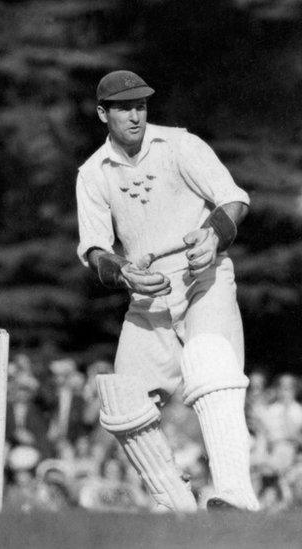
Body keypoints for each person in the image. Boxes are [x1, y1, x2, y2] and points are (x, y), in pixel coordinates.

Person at [75, 70, 258, 511]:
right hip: (147, 293)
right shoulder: (93, 172)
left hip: (203, 276)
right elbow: (96, 250)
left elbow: (233, 198)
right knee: (121, 403)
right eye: (123, 108)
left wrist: (213, 236)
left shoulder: (180, 145)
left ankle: (235, 496)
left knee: (209, 363)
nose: (135, 116)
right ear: (103, 114)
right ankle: (179, 507)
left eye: (140, 105)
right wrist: (124, 274)